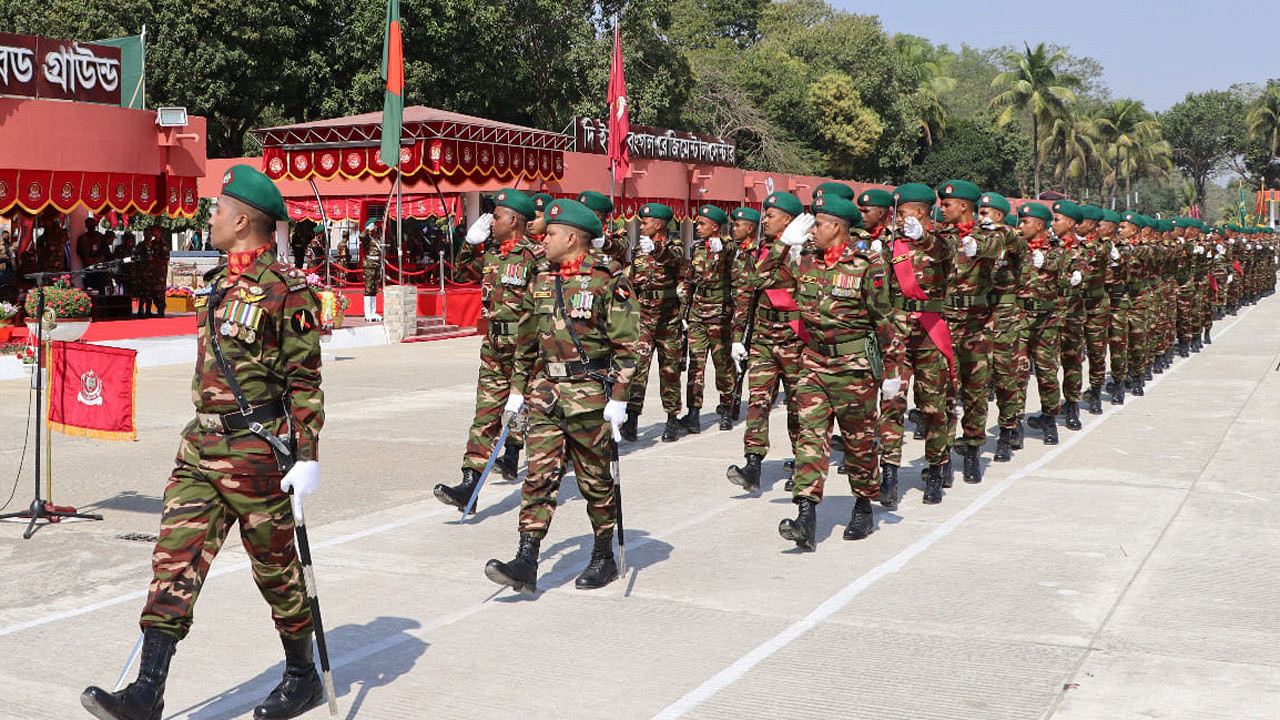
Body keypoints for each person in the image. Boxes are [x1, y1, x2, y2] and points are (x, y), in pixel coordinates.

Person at [80, 164, 327, 720]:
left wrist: (306, 457)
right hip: (201, 450)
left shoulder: (288, 292)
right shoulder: (216, 284)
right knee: (174, 562)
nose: (209, 217)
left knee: (278, 573)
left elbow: (306, 383)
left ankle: (302, 676)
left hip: (257, 455)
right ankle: (147, 691)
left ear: (242, 220)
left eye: (217, 209)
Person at [484, 198, 639, 594]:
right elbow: (527, 341)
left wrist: (620, 399)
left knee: (594, 481)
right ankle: (526, 558)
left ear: (572, 236)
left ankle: (603, 554)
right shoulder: (540, 277)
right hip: (546, 395)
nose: (544, 237)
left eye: (551, 233)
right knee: (538, 476)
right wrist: (517, 390)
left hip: (589, 395)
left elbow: (628, 346)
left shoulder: (608, 279)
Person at [762, 193, 902, 550]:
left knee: (858, 442)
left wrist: (891, 371)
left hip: (854, 368)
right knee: (811, 438)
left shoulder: (866, 263)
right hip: (813, 362)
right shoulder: (805, 260)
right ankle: (805, 516)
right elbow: (758, 280)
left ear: (837, 228)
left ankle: (863, 505)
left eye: (818, 224)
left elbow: (884, 319)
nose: (811, 231)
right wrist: (782, 245)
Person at [434, 189, 540, 509]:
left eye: (496, 217)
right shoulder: (494, 255)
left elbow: (539, 313)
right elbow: (460, 272)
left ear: (513, 220)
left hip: (527, 353)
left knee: (537, 421)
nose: (491, 222)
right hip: (494, 349)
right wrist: (470, 243)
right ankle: (470, 484)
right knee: (485, 415)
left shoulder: (534, 258)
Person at [873, 184, 952, 505]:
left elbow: (945, 254)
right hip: (896, 331)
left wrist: (923, 237)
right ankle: (889, 473)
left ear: (920, 213)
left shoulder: (941, 239)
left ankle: (936, 469)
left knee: (933, 405)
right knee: (892, 402)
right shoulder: (886, 241)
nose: (897, 218)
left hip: (930, 330)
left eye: (903, 212)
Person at [726, 192, 806, 494]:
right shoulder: (762, 251)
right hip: (763, 339)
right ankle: (753, 464)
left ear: (788, 220)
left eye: (771, 216)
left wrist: (790, 247)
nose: (765, 221)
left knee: (799, 406)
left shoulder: (806, 252)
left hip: (796, 339)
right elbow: (749, 291)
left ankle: (802, 463)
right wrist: (737, 338)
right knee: (757, 402)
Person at [937, 180, 1003, 484]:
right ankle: (945, 456)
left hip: (976, 324)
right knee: (945, 392)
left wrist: (979, 244)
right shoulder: (941, 235)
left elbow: (1001, 246)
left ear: (964, 206)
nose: (942, 208)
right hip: (945, 323)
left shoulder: (989, 234)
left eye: (947, 204)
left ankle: (974, 451)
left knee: (975, 392)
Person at [620, 202, 687, 443]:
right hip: (644, 320)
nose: (641, 225)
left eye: (646, 222)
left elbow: (673, 259)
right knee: (637, 370)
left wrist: (657, 249)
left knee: (669, 372)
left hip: (668, 321)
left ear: (658, 224)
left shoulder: (674, 246)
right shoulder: (639, 249)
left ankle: (672, 419)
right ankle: (632, 418)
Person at [979, 192, 1029, 463]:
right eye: (979, 213)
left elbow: (1020, 246)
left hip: (1005, 317)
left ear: (999, 216)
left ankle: (1008, 428)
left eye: (986, 214)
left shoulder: (1012, 243)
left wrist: (1002, 232)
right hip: (978, 315)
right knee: (975, 381)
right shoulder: (977, 240)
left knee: (1004, 376)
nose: (981, 218)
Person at [681, 204, 737, 433]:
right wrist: (684, 312)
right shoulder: (697, 248)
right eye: (697, 222)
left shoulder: (728, 247)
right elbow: (690, 281)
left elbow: (734, 252)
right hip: (697, 313)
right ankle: (693, 414)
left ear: (715, 226)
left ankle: (726, 409)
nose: (698, 226)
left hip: (719, 314)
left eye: (702, 223)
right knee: (696, 364)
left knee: (722, 363)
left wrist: (722, 247)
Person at [362, 220, 383, 322]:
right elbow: (361, 236)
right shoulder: (366, 238)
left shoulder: (375, 238)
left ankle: (373, 312)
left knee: (374, 289)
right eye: (374, 225)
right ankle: (367, 313)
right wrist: (367, 230)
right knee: (368, 288)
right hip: (369, 265)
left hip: (376, 265)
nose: (376, 227)